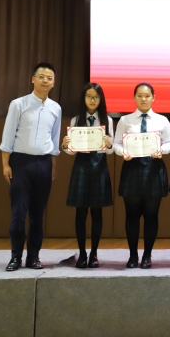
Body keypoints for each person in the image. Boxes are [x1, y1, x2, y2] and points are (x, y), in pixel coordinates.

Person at [0, 62, 62, 271]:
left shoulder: (56, 108)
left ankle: (33, 257)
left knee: (38, 215)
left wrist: (53, 165)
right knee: (19, 213)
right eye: (41, 76)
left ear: (53, 83)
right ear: (33, 79)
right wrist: (5, 164)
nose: (45, 80)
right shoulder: (19, 104)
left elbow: (54, 140)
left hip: (44, 163)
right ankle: (15, 257)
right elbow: (8, 135)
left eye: (49, 78)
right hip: (20, 163)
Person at [114, 83, 170, 269]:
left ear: (153, 98)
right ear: (134, 98)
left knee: (151, 215)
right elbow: (116, 144)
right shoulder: (125, 120)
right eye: (139, 95)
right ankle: (133, 256)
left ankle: (147, 256)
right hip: (132, 168)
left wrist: (161, 150)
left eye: (147, 96)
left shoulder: (162, 120)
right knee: (131, 215)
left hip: (154, 168)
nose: (143, 99)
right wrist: (122, 152)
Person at [62, 83, 114, 268]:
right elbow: (71, 152)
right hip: (81, 168)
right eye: (89, 97)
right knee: (81, 212)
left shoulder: (107, 120)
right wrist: (65, 145)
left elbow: (110, 151)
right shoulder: (76, 119)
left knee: (97, 213)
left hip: (99, 167)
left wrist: (109, 144)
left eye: (96, 97)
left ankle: (94, 254)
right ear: (83, 99)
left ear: (101, 100)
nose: (92, 100)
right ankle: (82, 253)